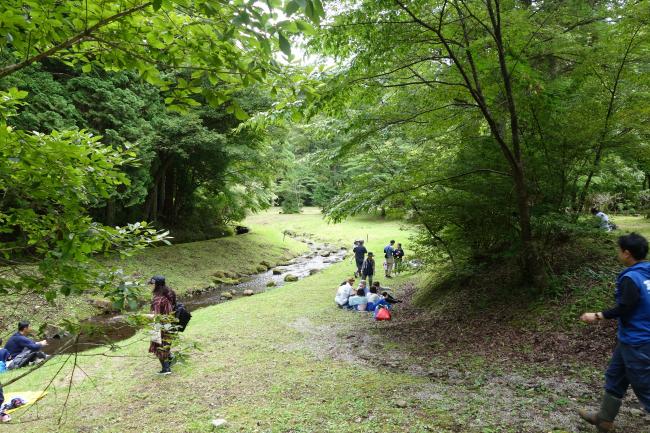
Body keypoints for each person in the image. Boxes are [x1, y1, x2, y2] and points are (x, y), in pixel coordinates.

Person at [578, 233, 650, 432]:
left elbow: (625, 307)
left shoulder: (631, 278)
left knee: (644, 386)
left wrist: (598, 315)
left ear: (627, 253)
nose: (618, 253)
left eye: (619, 250)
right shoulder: (647, 271)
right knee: (616, 375)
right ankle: (604, 420)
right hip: (631, 338)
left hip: (638, 340)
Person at [148, 275, 177, 375]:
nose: (150, 286)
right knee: (166, 344)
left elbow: (155, 316)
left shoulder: (157, 299)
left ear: (156, 285)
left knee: (158, 346)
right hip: (170, 323)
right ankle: (171, 358)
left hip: (159, 326)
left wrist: (143, 316)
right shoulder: (169, 292)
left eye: (151, 284)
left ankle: (166, 369)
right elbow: (173, 305)